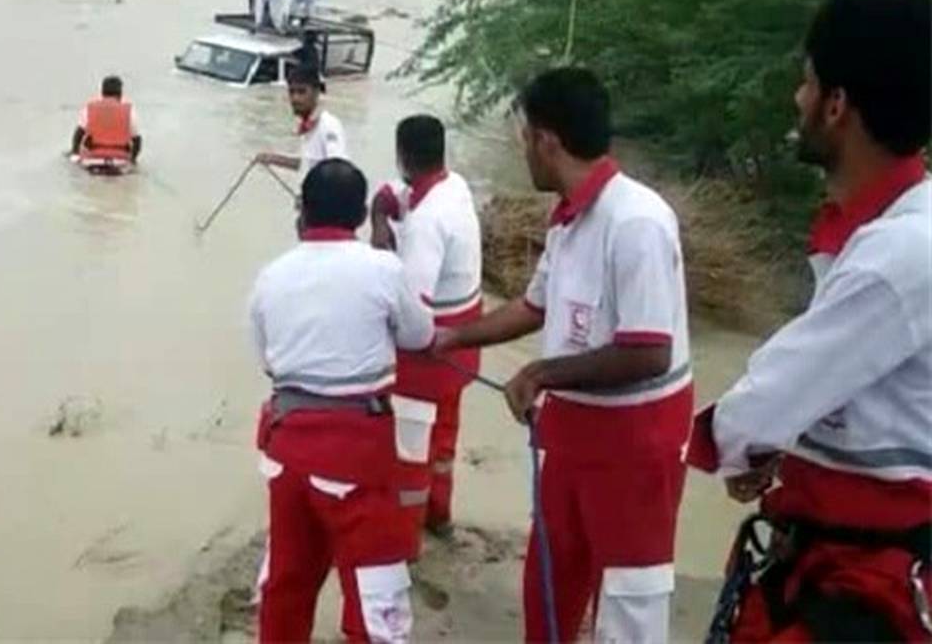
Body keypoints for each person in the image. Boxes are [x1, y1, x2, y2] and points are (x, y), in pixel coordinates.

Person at [686, 0, 931, 642]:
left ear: (837, 105)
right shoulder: (884, 233)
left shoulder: (899, 253)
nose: (796, 99)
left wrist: (726, 445)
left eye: (806, 81)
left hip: (861, 580)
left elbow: (768, 395)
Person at [435, 67, 693, 643]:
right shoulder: (568, 221)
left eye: (524, 136)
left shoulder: (638, 222)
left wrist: (540, 372)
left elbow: (648, 351)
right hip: (572, 435)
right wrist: (452, 336)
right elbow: (534, 306)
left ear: (547, 141)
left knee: (628, 603)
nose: (522, 148)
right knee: (551, 578)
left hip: (635, 446)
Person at [249, 157, 434, 643]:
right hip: (357, 455)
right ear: (358, 217)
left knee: (287, 579)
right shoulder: (383, 269)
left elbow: (268, 362)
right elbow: (420, 335)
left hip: (286, 448)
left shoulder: (270, 276)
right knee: (376, 593)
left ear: (303, 213)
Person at [368, 114, 483, 553]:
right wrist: (380, 218)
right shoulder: (453, 187)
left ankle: (404, 540)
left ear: (402, 155)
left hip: (432, 353)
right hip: (465, 344)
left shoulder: (426, 223)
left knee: (411, 449)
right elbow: (389, 194)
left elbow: (414, 318)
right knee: (445, 440)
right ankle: (439, 516)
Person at [254, 65, 346, 177]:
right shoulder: (308, 126)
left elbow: (338, 171)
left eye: (302, 92)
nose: (295, 98)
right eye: (291, 92)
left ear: (316, 92)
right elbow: (308, 164)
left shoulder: (329, 125)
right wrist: (272, 159)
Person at [70, 75, 142, 165]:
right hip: (120, 160)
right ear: (120, 93)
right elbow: (137, 140)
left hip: (93, 159)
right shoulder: (129, 111)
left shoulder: (89, 108)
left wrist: (75, 153)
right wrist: (133, 160)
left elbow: (78, 134)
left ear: (102, 93)